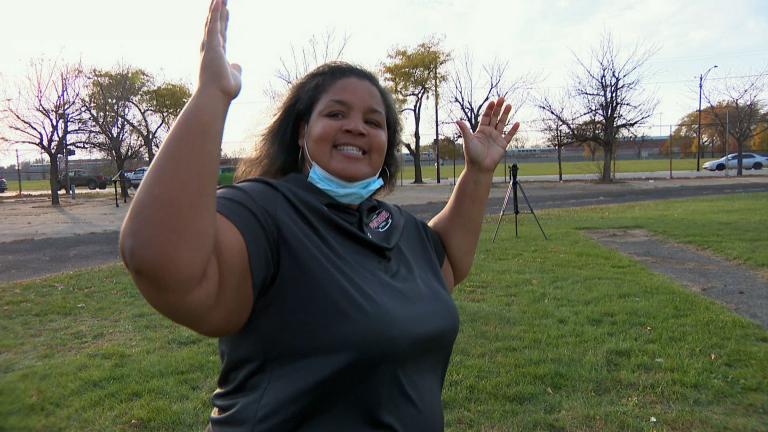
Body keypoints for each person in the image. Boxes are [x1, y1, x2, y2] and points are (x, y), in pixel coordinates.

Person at [119, 0, 520, 430]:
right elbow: (160, 259)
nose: (357, 127)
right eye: (335, 114)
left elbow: (447, 262)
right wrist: (211, 96)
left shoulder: (391, 223)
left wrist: (478, 173)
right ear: (301, 131)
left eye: (374, 121)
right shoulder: (264, 209)